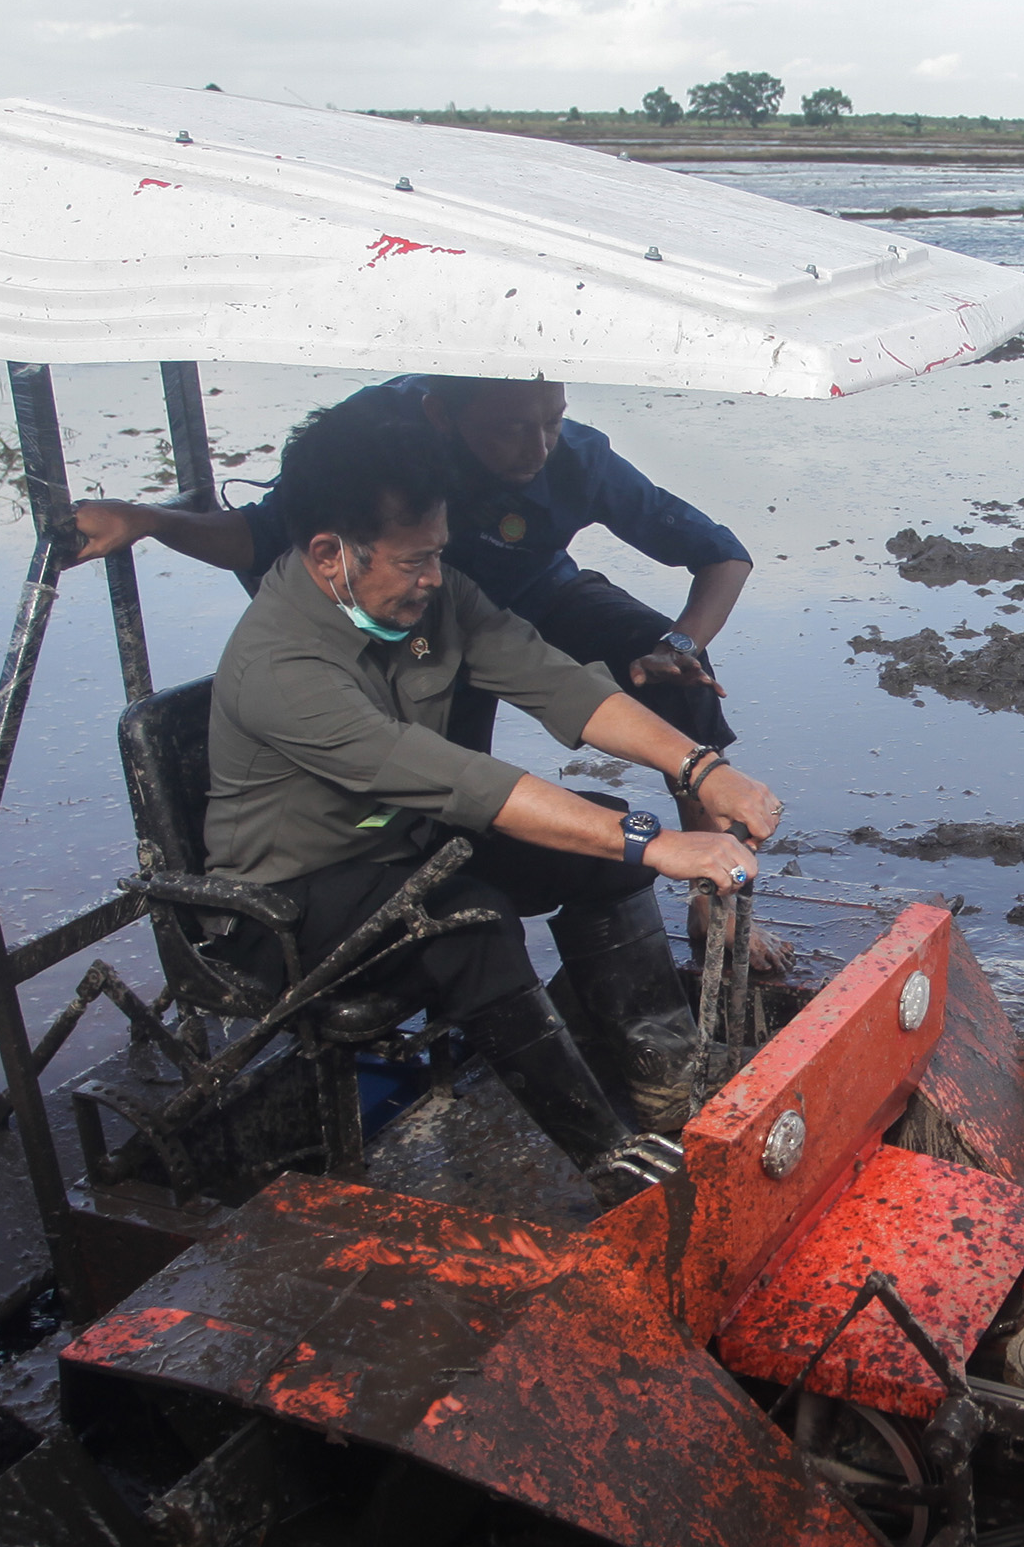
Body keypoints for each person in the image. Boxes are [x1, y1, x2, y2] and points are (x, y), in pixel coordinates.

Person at [192, 405, 782, 1207]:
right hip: (289, 904)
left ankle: (665, 1078)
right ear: (330, 553)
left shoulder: (434, 597)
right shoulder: (282, 670)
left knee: (596, 849)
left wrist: (700, 765)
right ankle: (607, 1154)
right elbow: (468, 784)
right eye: (414, 561)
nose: (435, 577)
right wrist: (655, 841)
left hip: (405, 845)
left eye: (439, 552)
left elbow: (556, 680)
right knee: (471, 920)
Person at [72, 372, 750, 792]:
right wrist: (150, 519)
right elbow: (258, 533)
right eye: (511, 429)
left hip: (532, 591)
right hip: (420, 617)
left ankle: (706, 880)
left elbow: (721, 553)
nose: (537, 447)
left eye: (551, 420)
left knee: (668, 667)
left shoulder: (575, 456)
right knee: (449, 780)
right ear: (441, 415)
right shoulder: (376, 440)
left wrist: (681, 643)